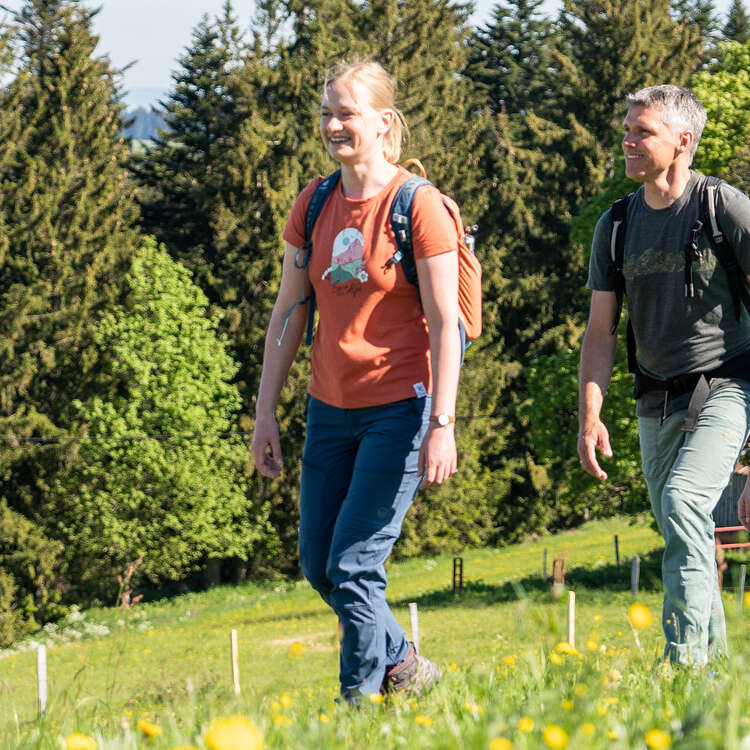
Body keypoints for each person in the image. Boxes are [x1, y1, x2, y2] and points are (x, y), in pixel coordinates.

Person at [251, 60, 461, 702]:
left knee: (354, 564)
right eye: (326, 113)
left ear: (383, 122)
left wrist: (443, 424)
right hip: (328, 411)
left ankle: (359, 708)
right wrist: (265, 413)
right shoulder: (314, 203)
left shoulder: (417, 206)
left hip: (400, 409)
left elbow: (447, 324)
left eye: (346, 112)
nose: (334, 124)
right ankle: (406, 665)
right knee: (320, 564)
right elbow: (289, 313)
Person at [578, 85, 750, 666]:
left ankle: (682, 667)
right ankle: (721, 679)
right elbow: (600, 331)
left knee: (683, 502)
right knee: (685, 529)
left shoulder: (723, 208)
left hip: (728, 384)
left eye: (641, 131)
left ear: (683, 141)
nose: (627, 140)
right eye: (627, 129)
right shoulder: (617, 224)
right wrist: (591, 413)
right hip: (654, 398)